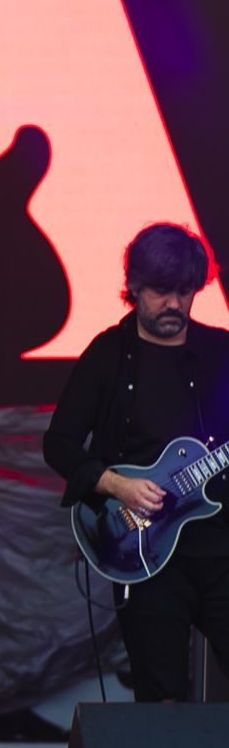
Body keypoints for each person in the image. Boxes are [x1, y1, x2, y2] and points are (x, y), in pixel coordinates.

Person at [44, 222, 229, 701]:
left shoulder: (220, 352)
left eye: (185, 292)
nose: (174, 304)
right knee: (162, 696)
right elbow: (59, 444)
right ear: (134, 288)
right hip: (145, 555)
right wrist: (116, 486)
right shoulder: (109, 355)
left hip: (221, 546)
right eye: (161, 292)